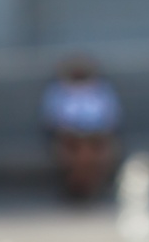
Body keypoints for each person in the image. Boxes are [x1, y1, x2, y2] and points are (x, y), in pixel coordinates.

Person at [40, 56, 122, 200]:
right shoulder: (58, 90)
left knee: (94, 154)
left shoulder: (101, 89)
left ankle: (89, 189)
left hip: (97, 137)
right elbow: (52, 118)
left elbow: (111, 116)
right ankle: (78, 190)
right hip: (69, 138)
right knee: (79, 156)